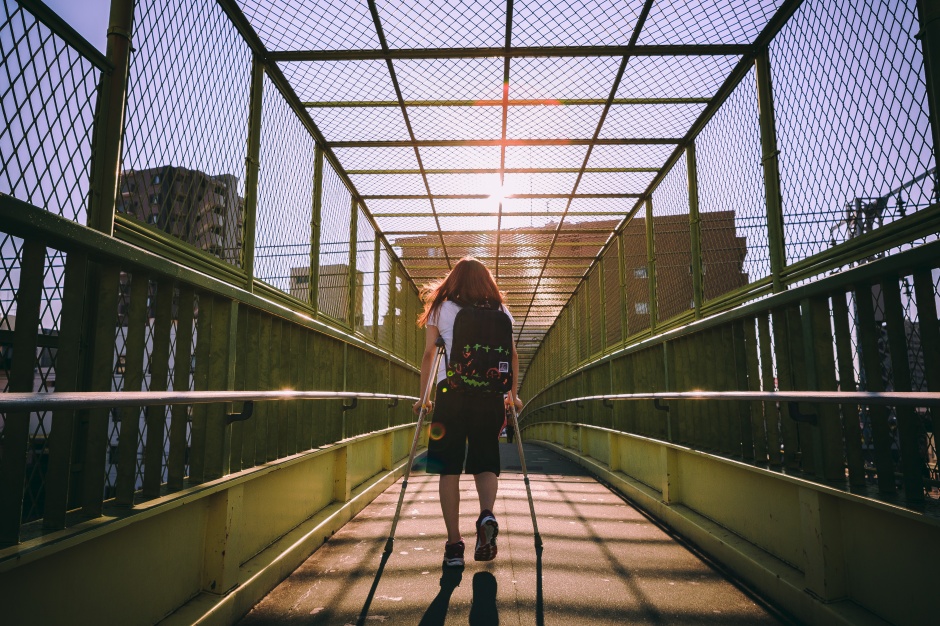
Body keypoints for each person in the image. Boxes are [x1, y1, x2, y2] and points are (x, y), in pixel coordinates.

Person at [413, 257, 524, 567]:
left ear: (454, 280)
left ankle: (453, 547)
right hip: (490, 395)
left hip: (452, 393)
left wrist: (424, 397)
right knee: (486, 459)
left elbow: (428, 354)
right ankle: (486, 514)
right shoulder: (501, 311)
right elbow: (512, 356)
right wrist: (512, 396)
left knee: (448, 467)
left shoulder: (441, 306)